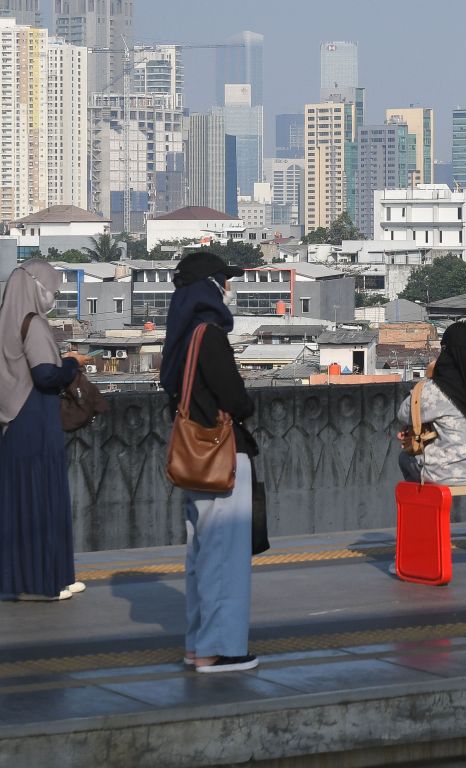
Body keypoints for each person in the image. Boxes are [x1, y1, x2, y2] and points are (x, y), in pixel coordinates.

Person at [160, 252, 260, 672]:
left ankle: (198, 644)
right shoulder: (210, 336)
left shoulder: (179, 339)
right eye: (225, 280)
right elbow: (236, 399)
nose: (229, 288)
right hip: (222, 457)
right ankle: (218, 650)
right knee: (224, 557)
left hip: (193, 458)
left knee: (201, 557)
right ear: (212, 286)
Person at [0, 259, 90, 602]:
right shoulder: (33, 323)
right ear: (35, 288)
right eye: (50, 290)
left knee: (22, 502)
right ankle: (47, 581)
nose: (52, 297)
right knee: (43, 497)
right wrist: (72, 364)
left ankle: (40, 576)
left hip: (16, 421)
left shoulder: (7, 322)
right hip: (34, 418)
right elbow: (46, 375)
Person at [397, 322, 466, 484]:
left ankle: (424, 508)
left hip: (444, 475)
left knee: (404, 458)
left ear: (445, 349)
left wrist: (428, 377)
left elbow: (404, 412)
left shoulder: (436, 387)